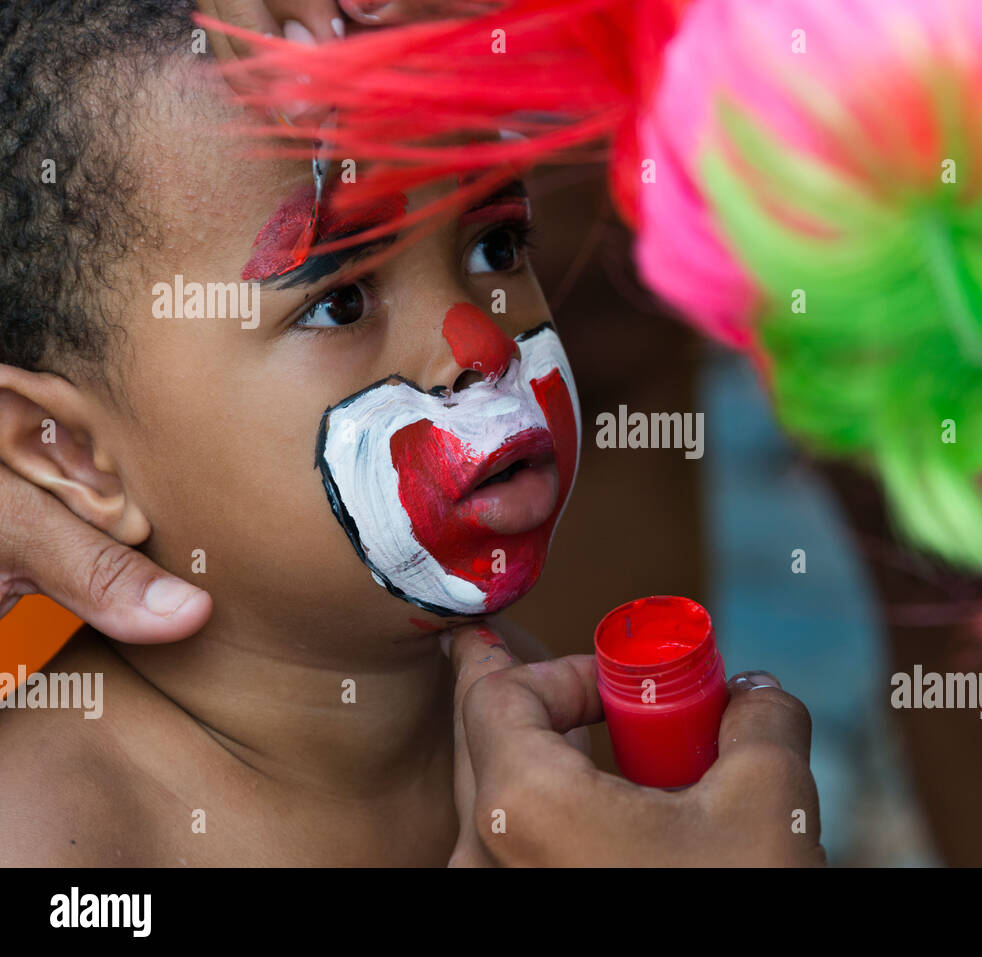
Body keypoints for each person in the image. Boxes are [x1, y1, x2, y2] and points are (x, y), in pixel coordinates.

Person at [0, 0, 824, 866]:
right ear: (71, 452)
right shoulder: (56, 825)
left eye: (496, 248)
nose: (482, 345)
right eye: (340, 300)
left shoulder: (513, 708)